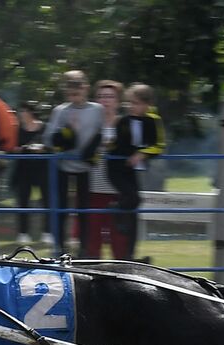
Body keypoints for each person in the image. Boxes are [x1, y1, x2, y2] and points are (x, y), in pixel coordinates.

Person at [43, 70, 103, 255]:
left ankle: (83, 249)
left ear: (86, 88)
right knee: (60, 209)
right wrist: (66, 135)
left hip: (85, 166)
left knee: (84, 210)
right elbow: (48, 139)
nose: (74, 95)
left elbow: (102, 134)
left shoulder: (97, 110)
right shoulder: (60, 111)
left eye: (77, 90)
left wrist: (93, 151)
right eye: (70, 92)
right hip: (63, 165)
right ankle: (60, 248)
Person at [105, 83, 165, 262]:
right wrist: (108, 145)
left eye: (136, 103)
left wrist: (142, 154)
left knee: (133, 209)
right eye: (129, 103)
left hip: (132, 168)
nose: (131, 106)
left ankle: (130, 255)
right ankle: (115, 210)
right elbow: (116, 144)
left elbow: (159, 146)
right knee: (134, 199)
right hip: (116, 168)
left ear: (147, 105)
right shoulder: (123, 121)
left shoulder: (153, 120)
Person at [82, 80, 127, 260]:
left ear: (118, 101)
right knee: (92, 242)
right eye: (100, 96)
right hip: (93, 190)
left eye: (109, 96)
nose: (104, 100)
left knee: (120, 242)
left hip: (118, 192)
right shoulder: (91, 125)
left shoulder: (125, 124)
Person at [11, 102, 49, 245]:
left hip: (42, 169)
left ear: (31, 112)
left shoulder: (44, 128)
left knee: (47, 201)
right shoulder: (18, 129)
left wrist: (42, 148)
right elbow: (13, 147)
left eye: (24, 111)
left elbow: (49, 145)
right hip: (24, 170)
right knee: (23, 202)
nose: (22, 114)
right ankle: (23, 233)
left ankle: (47, 232)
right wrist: (21, 149)